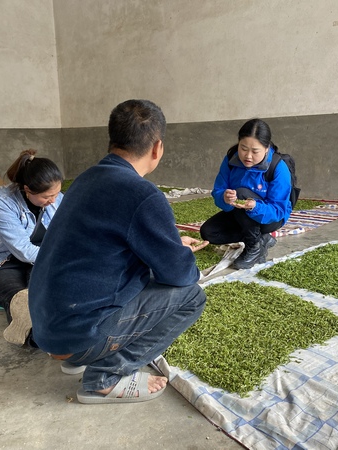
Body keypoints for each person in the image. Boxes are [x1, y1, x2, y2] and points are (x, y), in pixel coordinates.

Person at [28, 99, 208, 404]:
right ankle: (105, 376)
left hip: (48, 329)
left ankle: (78, 358)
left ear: (112, 139)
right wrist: (178, 254)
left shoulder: (86, 179)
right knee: (192, 296)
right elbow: (179, 274)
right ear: (157, 148)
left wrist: (170, 244)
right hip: (77, 335)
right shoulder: (143, 194)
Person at [0, 149, 63, 345]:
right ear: (27, 189)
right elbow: (23, 250)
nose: (53, 200)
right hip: (4, 262)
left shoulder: (55, 199)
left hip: (39, 257)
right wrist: (60, 258)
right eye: (47, 197)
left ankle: (50, 324)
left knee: (45, 288)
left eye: (57, 193)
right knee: (18, 296)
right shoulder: (2, 202)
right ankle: (33, 334)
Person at [200, 118, 293, 269]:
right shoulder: (231, 160)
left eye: (255, 151)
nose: (248, 156)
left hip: (269, 218)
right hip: (240, 214)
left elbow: (278, 210)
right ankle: (262, 240)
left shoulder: (278, 168)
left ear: (267, 148)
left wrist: (255, 206)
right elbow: (218, 190)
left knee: (242, 192)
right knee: (209, 233)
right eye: (243, 148)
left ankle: (254, 246)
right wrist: (224, 197)